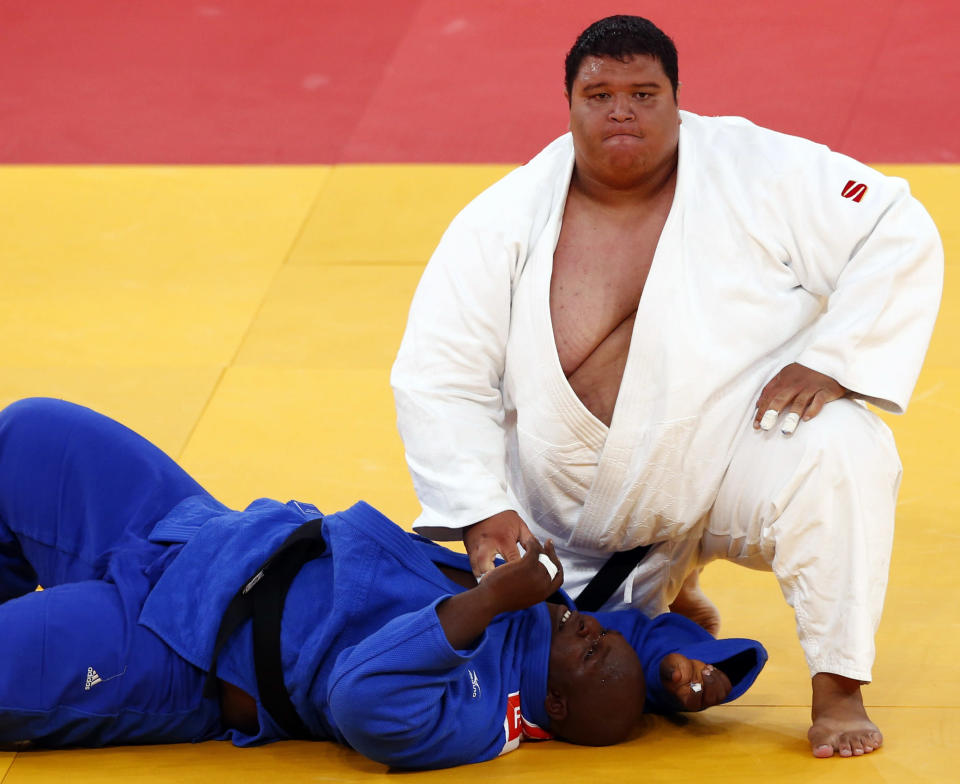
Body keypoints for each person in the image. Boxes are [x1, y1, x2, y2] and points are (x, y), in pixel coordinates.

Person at [391, 14, 943, 760]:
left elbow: (891, 222)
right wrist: (480, 507)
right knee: (556, 658)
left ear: (678, 101)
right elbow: (439, 370)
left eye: (644, 93)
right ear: (570, 106)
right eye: (600, 94)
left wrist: (840, 358)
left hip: (728, 458)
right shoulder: (503, 220)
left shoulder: (756, 171)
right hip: (576, 518)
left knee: (845, 446)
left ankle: (838, 688)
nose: (622, 110)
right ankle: (663, 595)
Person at [0, 398, 765, 769]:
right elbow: (628, 639)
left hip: (179, 649)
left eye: (591, 649)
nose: (590, 628)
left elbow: (361, 702)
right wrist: (678, 670)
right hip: (198, 534)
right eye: (596, 631)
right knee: (26, 435)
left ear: (553, 708)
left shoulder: (477, 719)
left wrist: (489, 599)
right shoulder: (554, 625)